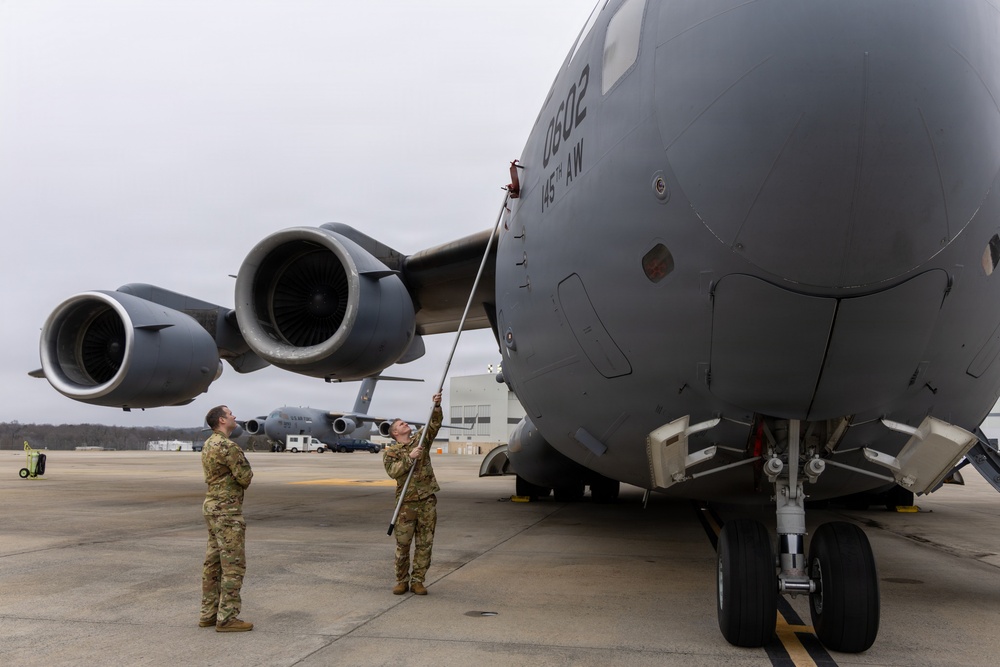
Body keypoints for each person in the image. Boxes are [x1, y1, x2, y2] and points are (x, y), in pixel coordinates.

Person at [200, 405, 254, 632]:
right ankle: (227, 618)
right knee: (233, 565)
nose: (234, 416)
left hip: (212, 507)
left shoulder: (209, 443)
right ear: (222, 420)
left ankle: (208, 613)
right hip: (227, 512)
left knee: (213, 564)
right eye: (230, 414)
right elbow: (245, 477)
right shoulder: (227, 446)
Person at [383, 392, 443, 595]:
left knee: (425, 543)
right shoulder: (391, 452)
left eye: (404, 422)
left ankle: (418, 580)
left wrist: (436, 407)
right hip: (406, 504)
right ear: (394, 433)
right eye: (400, 424)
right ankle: (402, 580)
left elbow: (433, 425)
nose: (404, 424)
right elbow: (393, 472)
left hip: (426, 501)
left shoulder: (421, 440)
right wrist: (410, 457)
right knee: (403, 545)